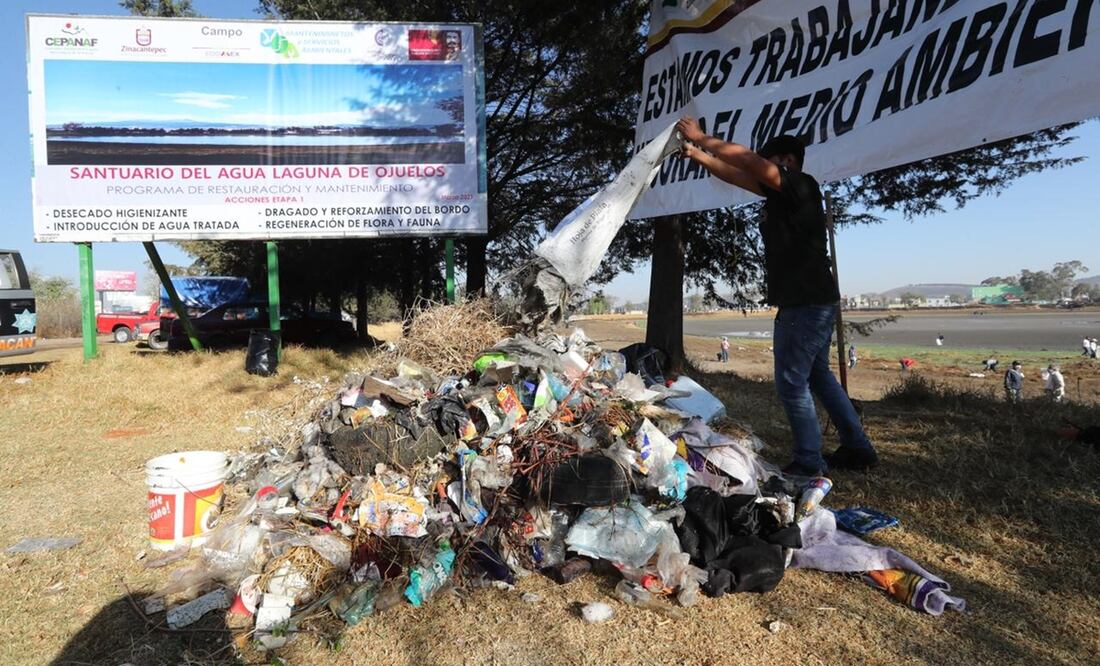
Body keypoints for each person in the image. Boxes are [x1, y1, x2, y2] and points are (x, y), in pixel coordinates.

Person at [676, 118, 877, 476]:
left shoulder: (800, 185)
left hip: (805, 302)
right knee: (819, 377)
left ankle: (808, 462)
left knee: (791, 383)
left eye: (779, 160)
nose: (774, 166)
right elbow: (736, 173)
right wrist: (695, 154)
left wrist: (702, 137)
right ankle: (858, 448)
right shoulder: (778, 195)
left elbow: (749, 163)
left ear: (790, 161)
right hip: (811, 300)